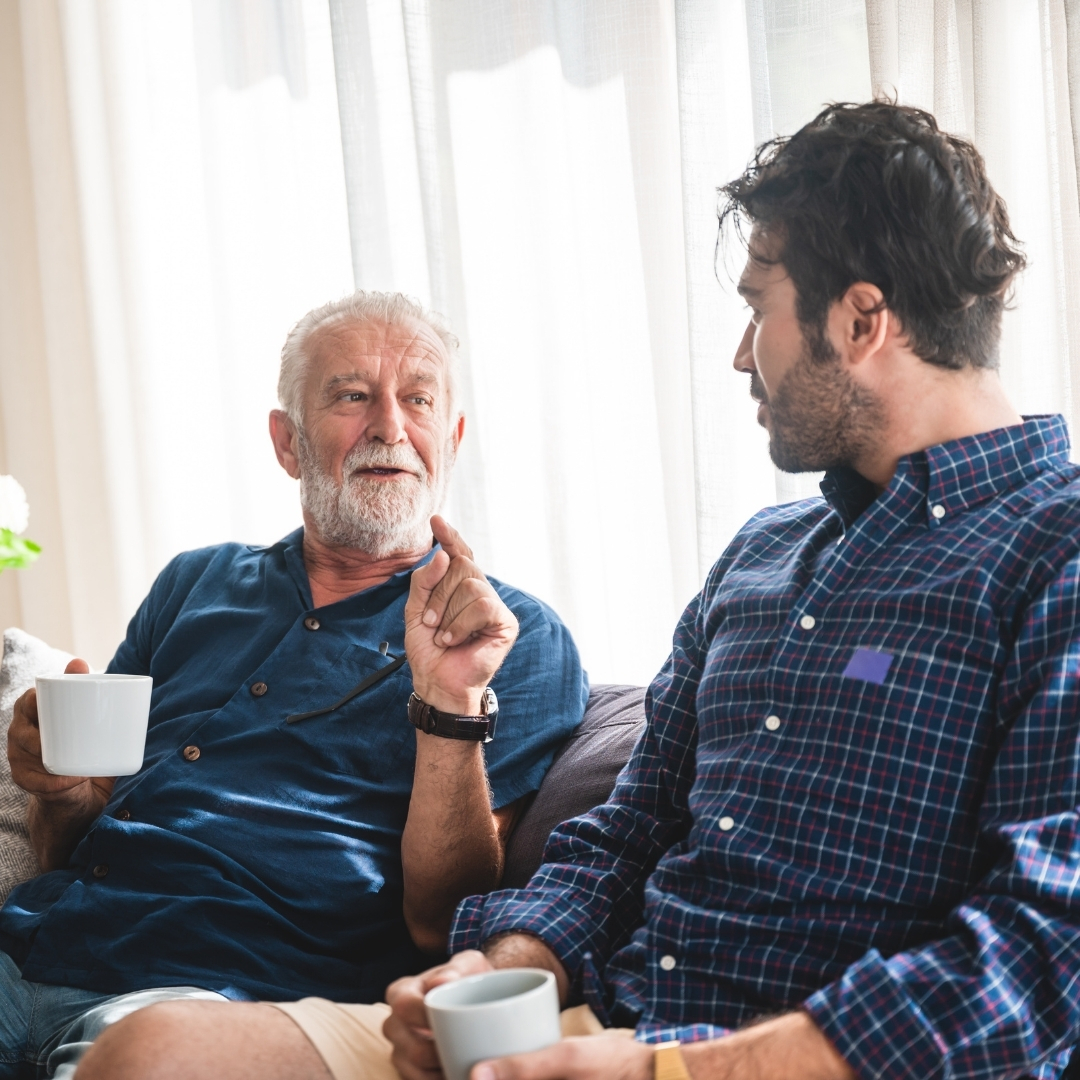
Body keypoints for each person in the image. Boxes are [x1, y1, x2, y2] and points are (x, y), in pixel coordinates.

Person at [77, 101, 1080, 1080]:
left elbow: (1043, 964)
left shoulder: (1055, 553)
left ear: (861, 319)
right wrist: (496, 971)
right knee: (154, 1052)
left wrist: (672, 1071)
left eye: (755, 309)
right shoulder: (766, 555)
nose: (742, 354)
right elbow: (628, 835)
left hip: (769, 1059)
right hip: (602, 1022)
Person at [0, 291, 587, 1079]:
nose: (388, 425)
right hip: (30, 952)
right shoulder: (195, 582)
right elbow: (73, 841)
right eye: (351, 395)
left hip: (219, 1002)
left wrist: (449, 703)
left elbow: (441, 921)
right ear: (288, 441)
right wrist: (61, 792)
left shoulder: (510, 636)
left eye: (417, 400)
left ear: (450, 439)